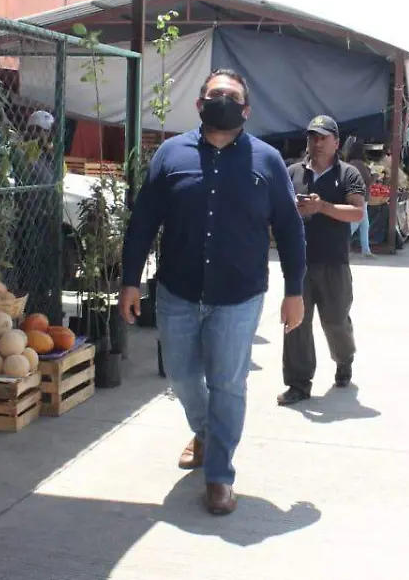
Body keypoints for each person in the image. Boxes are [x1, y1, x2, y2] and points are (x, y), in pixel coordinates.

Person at [119, 69, 307, 516]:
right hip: (177, 291)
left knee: (228, 384)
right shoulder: (170, 154)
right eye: (214, 94)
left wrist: (294, 290)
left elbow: (290, 227)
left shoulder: (267, 161)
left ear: (246, 109)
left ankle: (219, 475)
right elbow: (143, 222)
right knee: (182, 378)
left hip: (238, 297)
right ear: (200, 104)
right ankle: (205, 431)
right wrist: (129, 280)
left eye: (232, 96)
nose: (222, 101)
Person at [278, 116, 367, 406]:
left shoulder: (348, 173)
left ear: (336, 142)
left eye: (323, 137)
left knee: (336, 321)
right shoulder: (292, 172)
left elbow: (357, 213)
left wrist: (322, 207)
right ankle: (298, 383)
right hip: (299, 263)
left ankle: (344, 360)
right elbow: (276, 209)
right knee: (296, 325)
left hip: (334, 262)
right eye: (312, 137)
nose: (316, 143)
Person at [343, 136, 376, 257]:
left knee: (364, 224)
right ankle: (339, 244)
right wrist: (375, 175)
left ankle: (366, 250)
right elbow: (367, 180)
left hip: (354, 195)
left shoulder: (351, 163)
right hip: (362, 197)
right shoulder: (360, 165)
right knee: (356, 223)